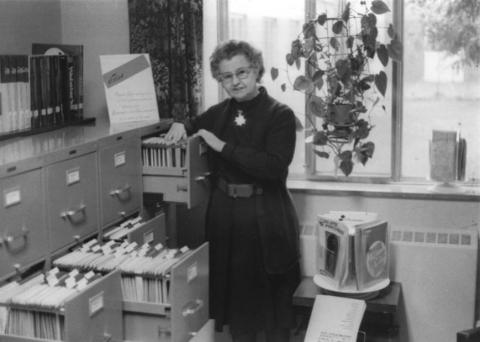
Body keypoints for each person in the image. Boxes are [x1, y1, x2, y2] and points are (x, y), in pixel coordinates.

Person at [165, 40, 300, 342]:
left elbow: (273, 167)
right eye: (227, 76)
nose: (235, 81)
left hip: (267, 218)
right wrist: (179, 124)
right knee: (239, 314)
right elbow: (193, 125)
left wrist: (222, 146)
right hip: (227, 219)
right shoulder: (218, 113)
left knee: (274, 315)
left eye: (242, 72)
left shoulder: (280, 114)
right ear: (220, 80)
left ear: (256, 71)